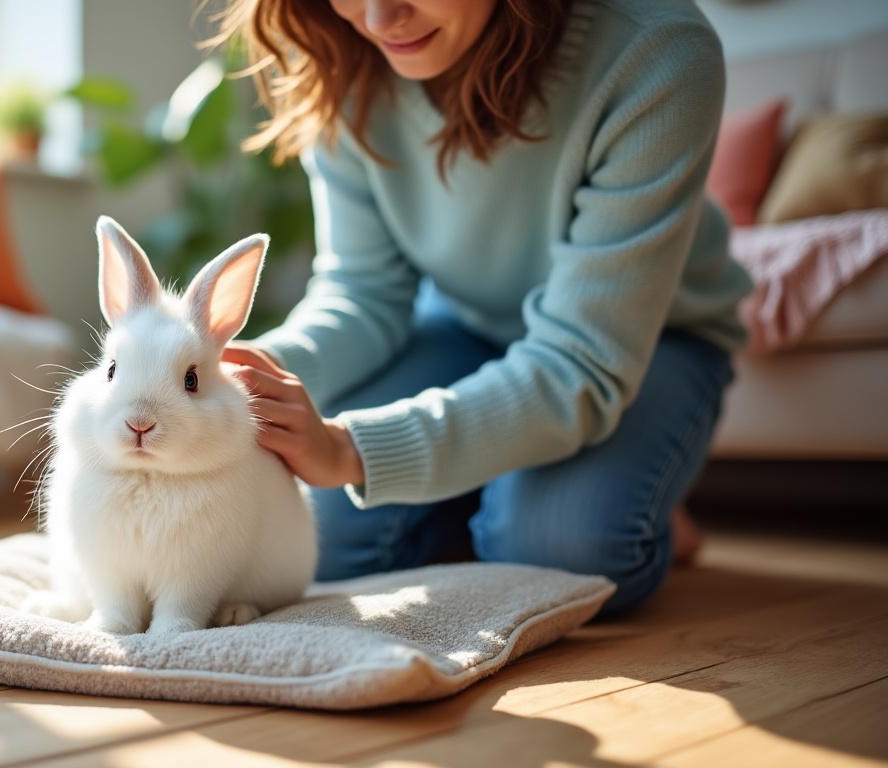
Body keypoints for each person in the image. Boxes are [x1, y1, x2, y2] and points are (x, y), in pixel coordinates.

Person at [216, 0, 753, 614]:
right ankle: (510, 483)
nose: (378, 18)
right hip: (464, 324)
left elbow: (579, 363)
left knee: (560, 549)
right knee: (326, 540)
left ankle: (606, 497)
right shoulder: (336, 50)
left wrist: (351, 449)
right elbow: (365, 295)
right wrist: (246, 373)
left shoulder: (655, 48)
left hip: (648, 341)